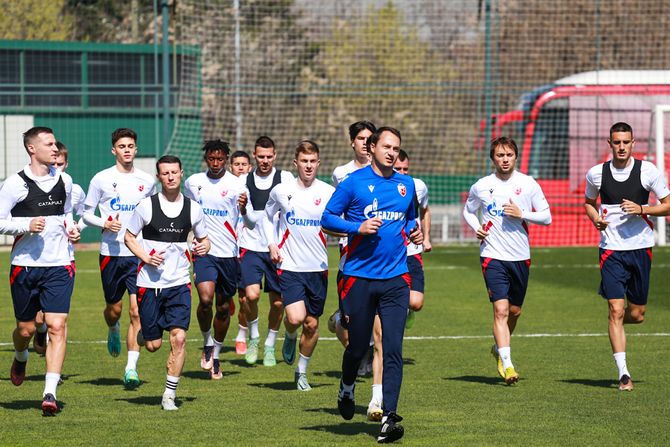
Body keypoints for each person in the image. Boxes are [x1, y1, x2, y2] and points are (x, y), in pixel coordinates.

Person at [321, 126, 422, 444]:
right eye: (387, 146)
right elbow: (327, 218)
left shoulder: (407, 185)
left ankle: (390, 418)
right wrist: (358, 227)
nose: (393, 152)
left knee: (392, 347)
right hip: (359, 278)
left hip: (395, 279)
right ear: (372, 147)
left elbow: (410, 219)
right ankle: (347, 386)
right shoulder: (353, 184)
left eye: (397, 148)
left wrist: (414, 231)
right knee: (357, 346)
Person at [0, 126, 81, 415]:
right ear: (32, 149)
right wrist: (25, 225)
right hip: (24, 267)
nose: (55, 148)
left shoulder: (66, 181)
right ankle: (20, 355)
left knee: (57, 327)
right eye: (48, 144)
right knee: (26, 328)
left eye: (54, 144)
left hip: (60, 265)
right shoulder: (15, 184)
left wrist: (72, 229)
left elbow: (67, 214)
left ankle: (49, 392)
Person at [584, 122, 670, 391]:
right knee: (615, 309)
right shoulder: (596, 174)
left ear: (634, 143)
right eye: (616, 142)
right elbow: (588, 203)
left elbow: (668, 205)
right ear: (609, 144)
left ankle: (620, 320)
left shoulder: (648, 171)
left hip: (640, 248)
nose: (621, 147)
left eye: (626, 142)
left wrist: (642, 207)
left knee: (638, 313)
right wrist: (596, 218)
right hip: (610, 249)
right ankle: (623, 373)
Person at [463, 136, 552, 385]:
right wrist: (477, 227)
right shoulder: (481, 185)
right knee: (500, 310)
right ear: (493, 158)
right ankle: (508, 364)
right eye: (500, 155)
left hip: (520, 256)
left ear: (516, 156)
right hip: (492, 255)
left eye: (509, 155)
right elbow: (468, 210)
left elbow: (547, 217)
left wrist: (522, 213)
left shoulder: (528, 184)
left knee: (514, 311)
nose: (505, 159)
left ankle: (499, 349)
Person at [124, 155, 210, 410]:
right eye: (165, 173)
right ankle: (143, 337)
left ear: (181, 173)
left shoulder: (193, 208)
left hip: (179, 282)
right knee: (153, 345)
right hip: (149, 284)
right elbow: (129, 237)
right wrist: (145, 257)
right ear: (159, 176)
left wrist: (203, 246)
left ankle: (169, 395)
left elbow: (205, 240)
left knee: (179, 339)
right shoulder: (146, 206)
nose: (170, 177)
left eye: (174, 172)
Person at [82, 128, 156, 388]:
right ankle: (112, 328)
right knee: (115, 310)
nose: (127, 150)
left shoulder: (147, 181)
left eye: (131, 145)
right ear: (114, 150)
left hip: (136, 254)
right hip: (110, 254)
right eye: (122, 146)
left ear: (136, 149)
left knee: (136, 312)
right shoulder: (101, 179)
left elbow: (151, 215)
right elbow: (86, 213)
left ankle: (131, 369)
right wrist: (104, 222)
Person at [262, 141, 335, 391]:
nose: (308, 166)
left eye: (312, 161)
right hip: (290, 265)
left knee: (312, 324)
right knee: (295, 317)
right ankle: (290, 334)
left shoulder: (328, 192)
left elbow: (340, 220)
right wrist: (271, 244)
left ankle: (301, 372)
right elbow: (267, 216)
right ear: (296, 164)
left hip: (318, 267)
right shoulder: (281, 191)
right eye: (304, 161)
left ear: (318, 163)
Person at [184, 140, 249, 379]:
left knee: (223, 308)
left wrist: (243, 209)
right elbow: (187, 214)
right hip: (204, 252)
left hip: (229, 255)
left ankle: (217, 355)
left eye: (220, 159)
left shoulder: (237, 185)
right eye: (211, 158)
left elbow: (249, 221)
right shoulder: (194, 183)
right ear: (206, 159)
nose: (215, 163)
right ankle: (207, 342)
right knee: (205, 299)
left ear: (226, 160)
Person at [238, 136, 294, 366]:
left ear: (275, 155)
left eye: (269, 156)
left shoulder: (285, 179)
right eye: (261, 156)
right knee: (250, 296)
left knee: (278, 303)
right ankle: (254, 337)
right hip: (251, 246)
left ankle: (270, 344)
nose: (265, 160)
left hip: (277, 248)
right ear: (254, 156)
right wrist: (242, 210)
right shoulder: (244, 180)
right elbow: (250, 221)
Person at [327, 121, 377, 377]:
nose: (366, 144)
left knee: (378, 309)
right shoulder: (341, 174)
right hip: (352, 250)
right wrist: (354, 229)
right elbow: (334, 214)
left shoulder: (384, 172)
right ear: (352, 142)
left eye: (370, 139)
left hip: (381, 251)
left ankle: (370, 354)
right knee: (350, 318)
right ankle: (357, 344)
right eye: (361, 138)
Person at [33, 141, 87, 355]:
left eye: (61, 163)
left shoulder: (73, 188)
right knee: (38, 318)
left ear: (67, 164)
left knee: (58, 318)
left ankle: (53, 373)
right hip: (35, 257)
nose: (56, 166)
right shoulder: (31, 185)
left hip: (63, 257)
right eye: (53, 162)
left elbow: (83, 215)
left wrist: (75, 228)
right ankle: (39, 330)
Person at [229, 150, 253, 355]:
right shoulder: (222, 188)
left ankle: (241, 334)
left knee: (245, 298)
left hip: (245, 249)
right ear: (231, 167)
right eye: (236, 164)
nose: (240, 167)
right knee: (224, 297)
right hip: (224, 251)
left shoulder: (253, 190)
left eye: (244, 164)